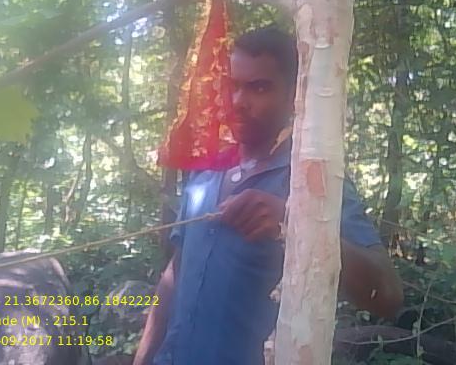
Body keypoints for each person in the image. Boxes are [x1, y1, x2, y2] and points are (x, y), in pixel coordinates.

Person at [133, 26, 403, 365]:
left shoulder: (312, 182)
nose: (238, 102)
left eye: (259, 88)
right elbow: (175, 274)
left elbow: (387, 296)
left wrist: (293, 223)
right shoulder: (205, 173)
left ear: (294, 95)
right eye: (232, 86)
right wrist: (142, 359)